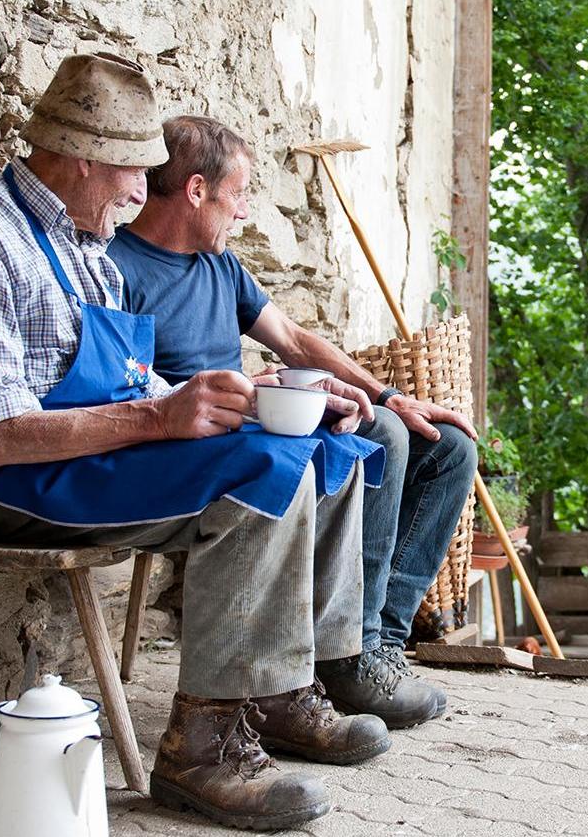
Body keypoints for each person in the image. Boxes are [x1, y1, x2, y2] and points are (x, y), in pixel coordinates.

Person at [0, 53, 389, 831]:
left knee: (323, 446)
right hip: (30, 481)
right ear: (84, 158)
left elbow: (138, 387)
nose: (140, 194)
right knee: (265, 465)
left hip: (107, 456)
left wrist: (272, 399)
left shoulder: (87, 247)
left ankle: (281, 687)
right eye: (134, 172)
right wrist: (165, 421)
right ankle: (202, 751)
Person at [107, 115, 479, 731]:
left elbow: (296, 341)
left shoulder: (220, 267)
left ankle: (378, 642)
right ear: (196, 191)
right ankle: (347, 657)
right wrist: (260, 395)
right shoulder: (118, 269)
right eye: (239, 195)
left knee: (443, 448)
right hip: (202, 446)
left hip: (258, 422)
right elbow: (130, 391)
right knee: (376, 436)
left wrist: (389, 394)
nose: (246, 213)